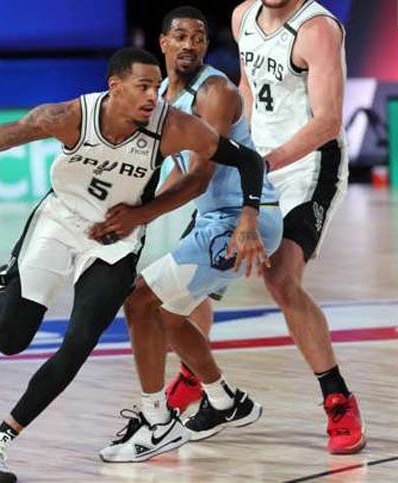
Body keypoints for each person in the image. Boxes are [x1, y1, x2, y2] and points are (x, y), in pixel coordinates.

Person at [0, 47, 271, 482]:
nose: (153, 96)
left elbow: (247, 160)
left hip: (114, 239)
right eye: (142, 87)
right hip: (59, 221)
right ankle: (0, 289)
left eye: (156, 87)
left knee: (79, 343)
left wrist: (245, 216)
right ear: (114, 87)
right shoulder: (68, 117)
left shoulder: (171, 125)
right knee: (11, 340)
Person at [92, 7, 283, 463]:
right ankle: (224, 400)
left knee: (140, 302)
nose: (190, 44)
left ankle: (157, 422)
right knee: (170, 317)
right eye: (180, 36)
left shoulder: (215, 93)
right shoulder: (158, 97)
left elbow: (199, 178)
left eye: (199, 38)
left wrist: (139, 216)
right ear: (162, 43)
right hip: (215, 219)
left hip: (243, 221)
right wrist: (127, 215)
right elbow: (166, 169)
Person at [234, 0, 366, 454]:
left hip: (309, 167)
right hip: (261, 158)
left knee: (281, 278)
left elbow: (328, 121)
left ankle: (337, 398)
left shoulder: (317, 28)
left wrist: (266, 163)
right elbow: (247, 89)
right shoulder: (242, 16)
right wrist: (237, 150)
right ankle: (200, 382)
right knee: (211, 250)